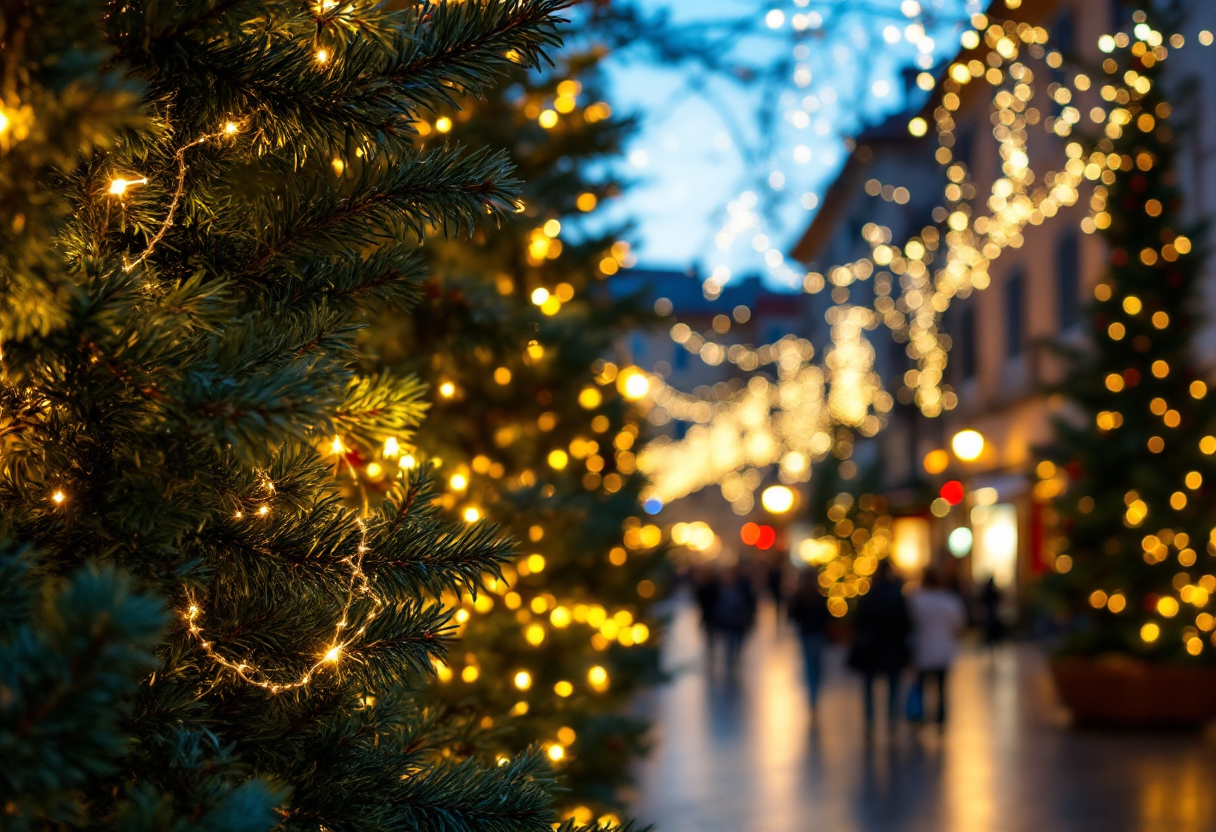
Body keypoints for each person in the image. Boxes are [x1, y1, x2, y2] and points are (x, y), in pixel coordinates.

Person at [848, 560, 911, 735]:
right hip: (892, 647)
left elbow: (858, 622)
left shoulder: (869, 596)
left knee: (869, 687)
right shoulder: (897, 597)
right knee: (893, 686)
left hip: (871, 649)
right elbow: (906, 624)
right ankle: (891, 720)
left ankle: (869, 721)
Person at [907, 568, 968, 727]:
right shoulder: (949, 601)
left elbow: (908, 624)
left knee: (920, 685)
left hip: (921, 649)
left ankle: (918, 716)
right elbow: (959, 624)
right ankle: (940, 719)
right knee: (941, 687)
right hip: (943, 650)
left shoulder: (916, 600)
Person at [787, 567, 831, 709]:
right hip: (816, 633)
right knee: (815, 663)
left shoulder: (802, 595)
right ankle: (814, 690)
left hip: (809, 633)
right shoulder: (817, 596)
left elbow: (793, 614)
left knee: (810, 663)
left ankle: (812, 690)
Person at [713, 564, 757, 676]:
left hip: (740, 620)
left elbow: (751, 603)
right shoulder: (722, 587)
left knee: (738, 640)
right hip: (727, 620)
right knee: (729, 641)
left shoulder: (744, 587)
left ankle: (736, 656)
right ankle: (730, 658)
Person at [692, 566, 721, 661]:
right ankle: (710, 649)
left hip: (712, 616)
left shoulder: (711, 587)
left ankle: (710, 649)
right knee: (710, 634)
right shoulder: (709, 587)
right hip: (710, 616)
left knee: (710, 634)